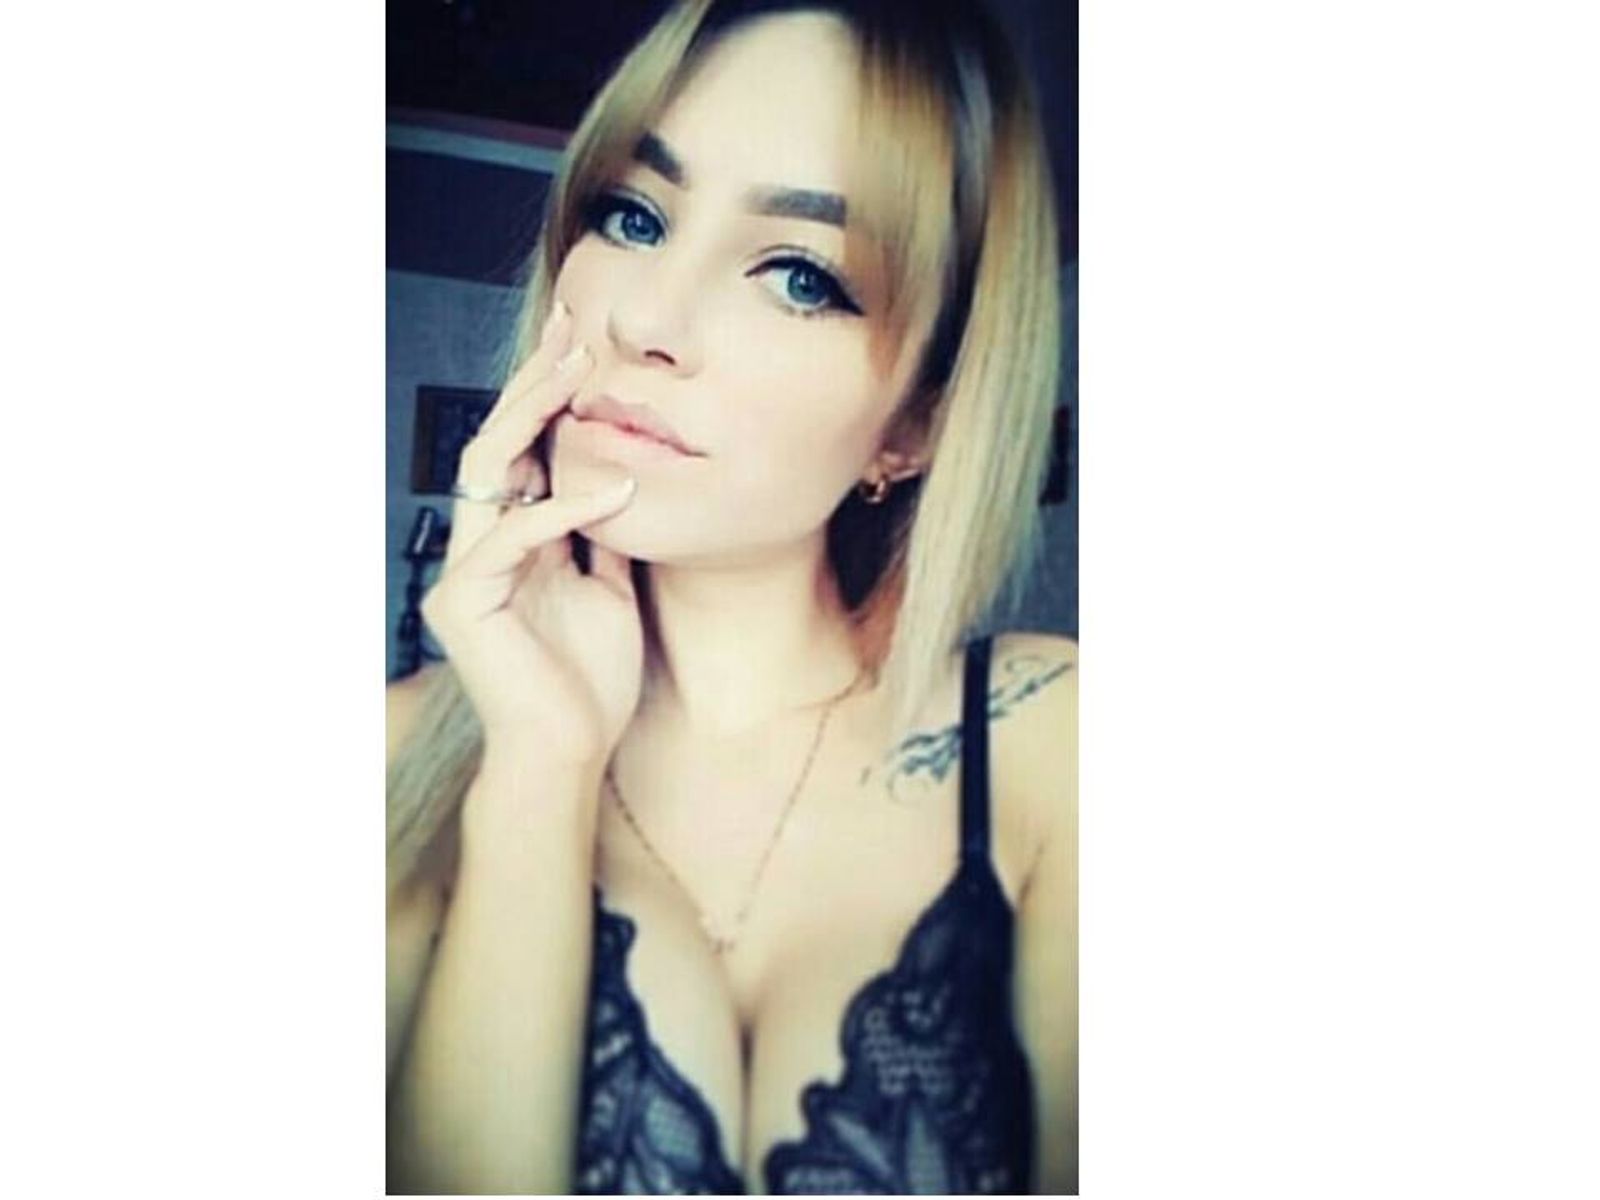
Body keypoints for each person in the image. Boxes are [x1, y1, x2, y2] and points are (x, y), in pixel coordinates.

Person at [385, 0, 1077, 1192]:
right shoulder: (390, 758)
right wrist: (539, 767)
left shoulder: (1059, 741)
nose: (644, 319)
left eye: (800, 277)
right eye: (634, 216)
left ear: (914, 425)